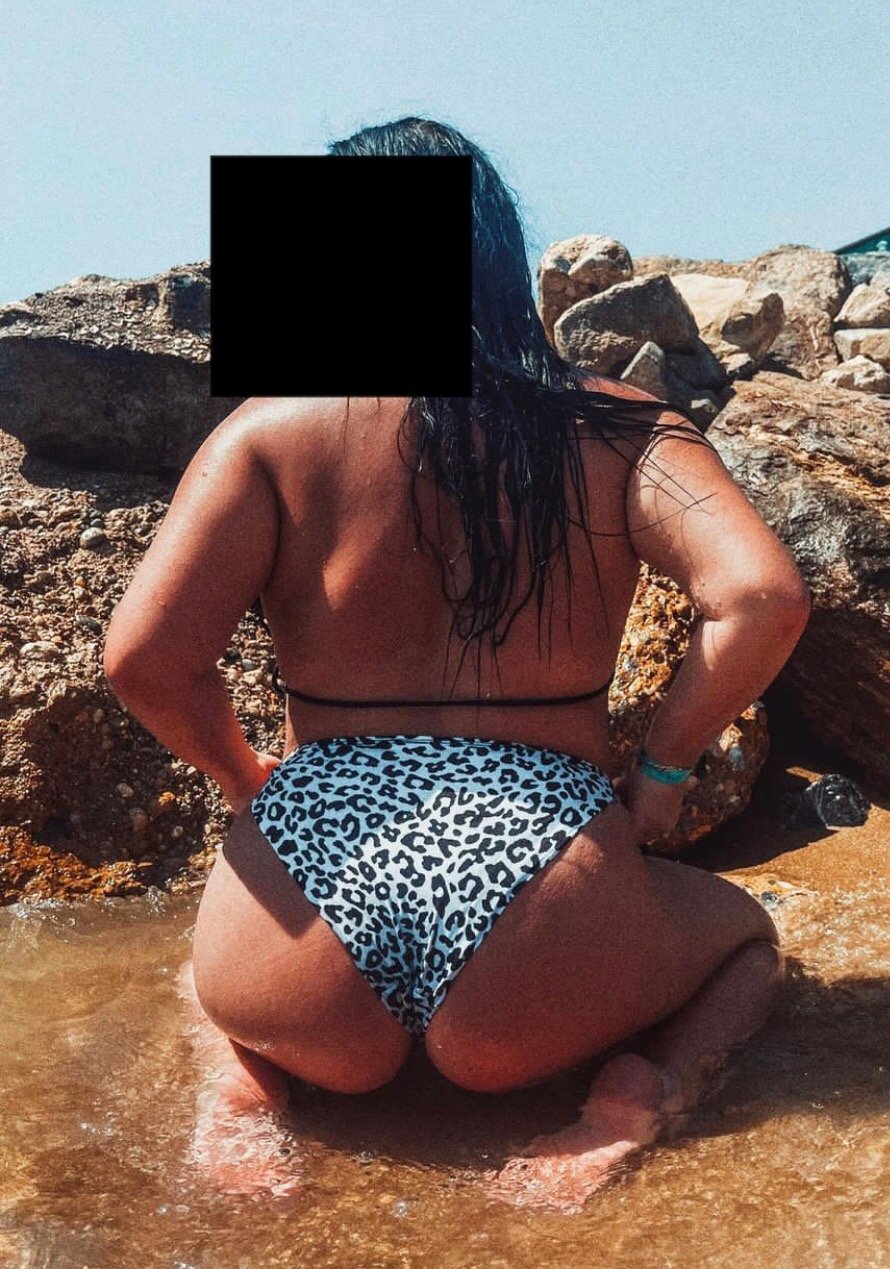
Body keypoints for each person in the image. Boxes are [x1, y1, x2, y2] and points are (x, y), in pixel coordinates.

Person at [103, 117, 810, 1209]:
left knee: (210, 969)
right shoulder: (619, 428)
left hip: (307, 909)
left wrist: (248, 785)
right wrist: (662, 774)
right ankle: (634, 1099)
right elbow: (762, 597)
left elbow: (144, 658)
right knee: (747, 943)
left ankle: (245, 1085)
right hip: (539, 907)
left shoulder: (269, 431)